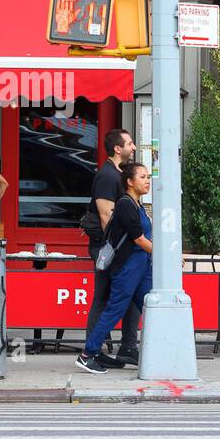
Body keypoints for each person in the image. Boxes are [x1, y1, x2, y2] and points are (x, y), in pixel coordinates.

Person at [77, 163, 152, 375]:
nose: (147, 181)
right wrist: (166, 256)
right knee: (114, 310)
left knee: (151, 305)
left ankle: (163, 350)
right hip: (127, 267)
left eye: (148, 177)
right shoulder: (125, 204)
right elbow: (138, 238)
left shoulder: (138, 205)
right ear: (130, 181)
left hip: (141, 266)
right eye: (142, 177)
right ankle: (87, 355)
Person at [83, 128, 141, 365]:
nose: (134, 147)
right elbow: (107, 216)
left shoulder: (118, 174)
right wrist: (120, 250)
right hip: (109, 248)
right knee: (103, 298)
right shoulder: (107, 176)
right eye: (130, 143)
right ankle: (92, 352)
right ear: (118, 149)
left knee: (129, 295)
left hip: (122, 247)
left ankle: (128, 347)